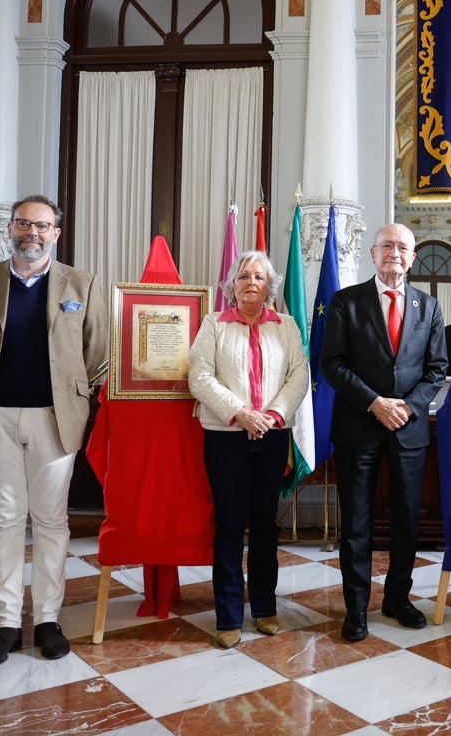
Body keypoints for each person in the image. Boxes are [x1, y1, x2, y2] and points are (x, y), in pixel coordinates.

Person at [0, 194, 107, 669]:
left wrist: (71, 398)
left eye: (42, 226)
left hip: (55, 419)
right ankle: (5, 623)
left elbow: (96, 352)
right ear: (11, 228)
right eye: (24, 224)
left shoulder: (80, 284)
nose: (32, 233)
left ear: (56, 233)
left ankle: (47, 620)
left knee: (50, 522)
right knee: (4, 522)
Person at [320, 223, 447, 642]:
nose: (395, 252)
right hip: (359, 424)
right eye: (387, 245)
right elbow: (333, 363)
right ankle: (356, 607)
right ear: (372, 254)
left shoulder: (429, 306)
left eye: (403, 247)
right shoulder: (345, 301)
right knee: (356, 523)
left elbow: (436, 369)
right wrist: (375, 403)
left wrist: (407, 407)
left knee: (407, 520)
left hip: (409, 430)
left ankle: (397, 598)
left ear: (412, 258)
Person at [188, 250, 310, 649]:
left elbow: (298, 375)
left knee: (263, 525)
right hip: (226, 435)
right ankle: (227, 614)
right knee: (228, 525)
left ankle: (263, 607)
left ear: (270, 286)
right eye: (244, 276)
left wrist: (272, 415)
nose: (251, 283)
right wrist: (241, 413)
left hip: (272, 434)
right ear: (232, 285)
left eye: (259, 277)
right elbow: (200, 376)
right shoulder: (213, 324)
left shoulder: (287, 326)